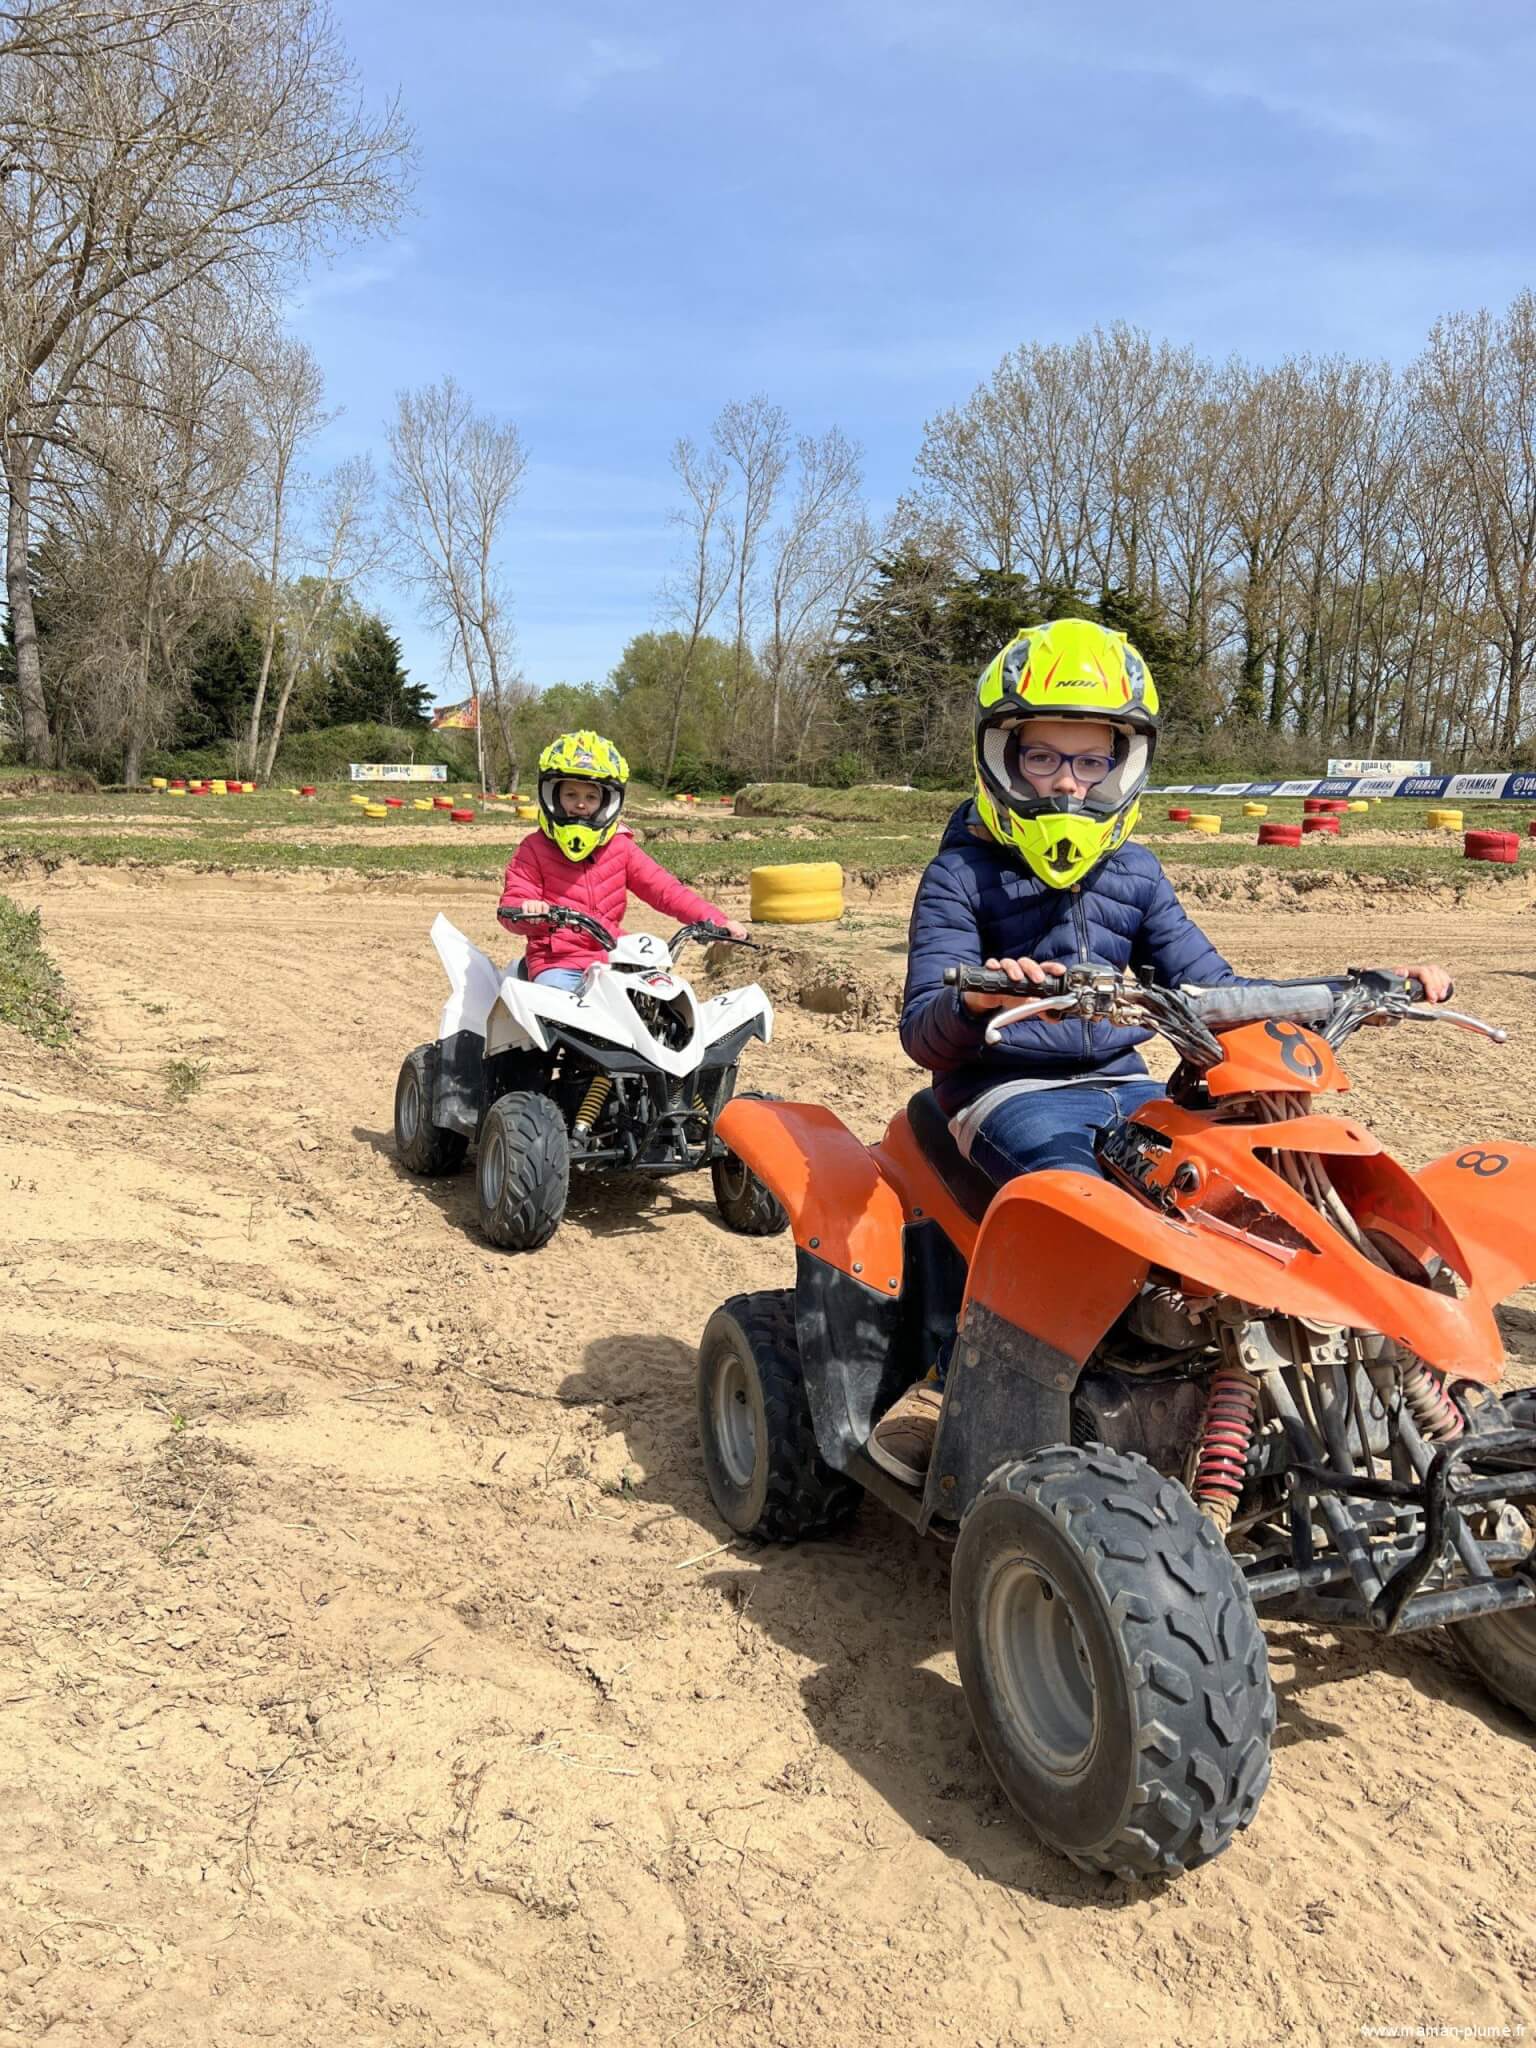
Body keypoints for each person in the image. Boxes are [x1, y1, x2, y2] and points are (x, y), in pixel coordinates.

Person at [868, 618, 1454, 1486]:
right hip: (1000, 1092)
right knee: (1087, 1205)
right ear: (1002, 756)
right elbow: (921, 1027)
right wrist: (976, 995)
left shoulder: (1136, 873)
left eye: (1090, 761)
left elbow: (1214, 988)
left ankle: (1342, 1387)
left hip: (1126, 1085)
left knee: (1265, 1192)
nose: (1067, 783)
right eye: (1043, 759)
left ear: (1123, 765)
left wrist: (1368, 988)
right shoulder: (961, 873)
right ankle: (946, 1385)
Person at [497, 730, 747, 988]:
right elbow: (514, 899)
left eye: (591, 797)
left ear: (607, 802)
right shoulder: (534, 848)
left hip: (613, 958)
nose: (581, 804)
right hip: (558, 963)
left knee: (661, 1003)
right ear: (554, 797)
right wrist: (528, 909)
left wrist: (716, 920)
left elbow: (665, 890)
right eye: (571, 795)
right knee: (561, 1011)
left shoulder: (620, 847)